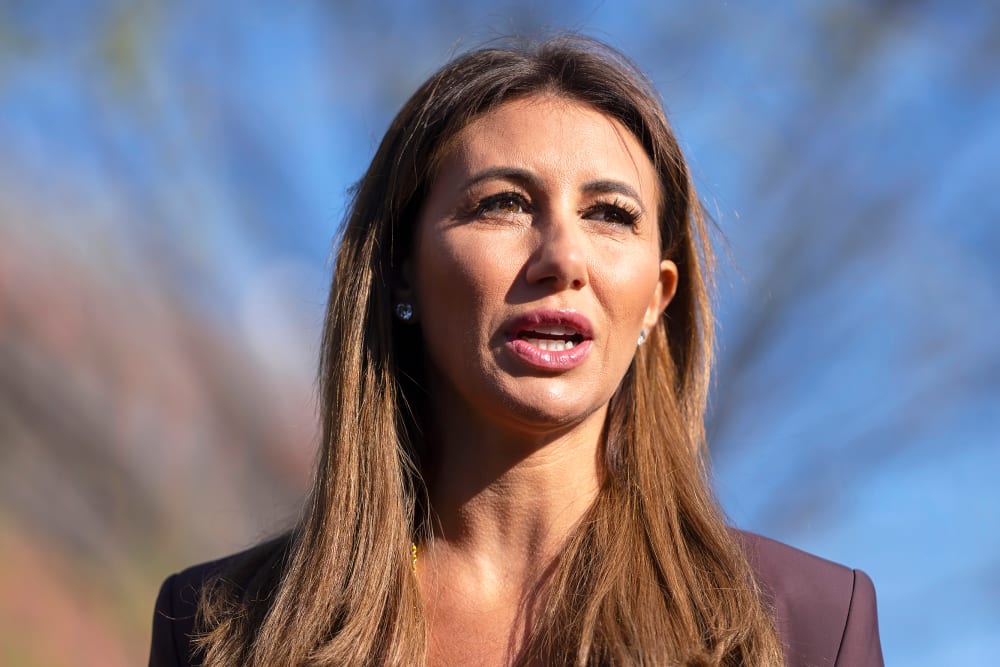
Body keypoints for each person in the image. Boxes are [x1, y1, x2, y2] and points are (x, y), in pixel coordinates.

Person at [149, 35, 883, 666]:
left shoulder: (809, 625)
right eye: (503, 202)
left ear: (657, 299)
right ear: (401, 267)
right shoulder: (221, 628)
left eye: (611, 214)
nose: (563, 256)